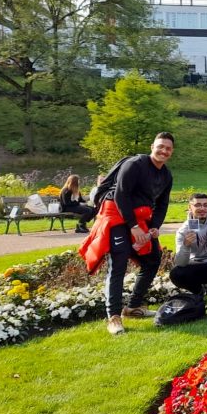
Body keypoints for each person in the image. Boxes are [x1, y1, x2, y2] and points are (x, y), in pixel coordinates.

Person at [79, 132, 174, 336]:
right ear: (152, 146)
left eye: (168, 148)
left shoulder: (166, 175)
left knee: (153, 259)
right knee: (119, 261)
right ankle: (113, 316)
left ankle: (132, 307)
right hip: (116, 214)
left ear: (172, 152)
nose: (164, 151)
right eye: (161, 146)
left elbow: (162, 204)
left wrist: (154, 226)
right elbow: (121, 194)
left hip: (140, 218)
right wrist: (133, 226)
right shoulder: (135, 164)